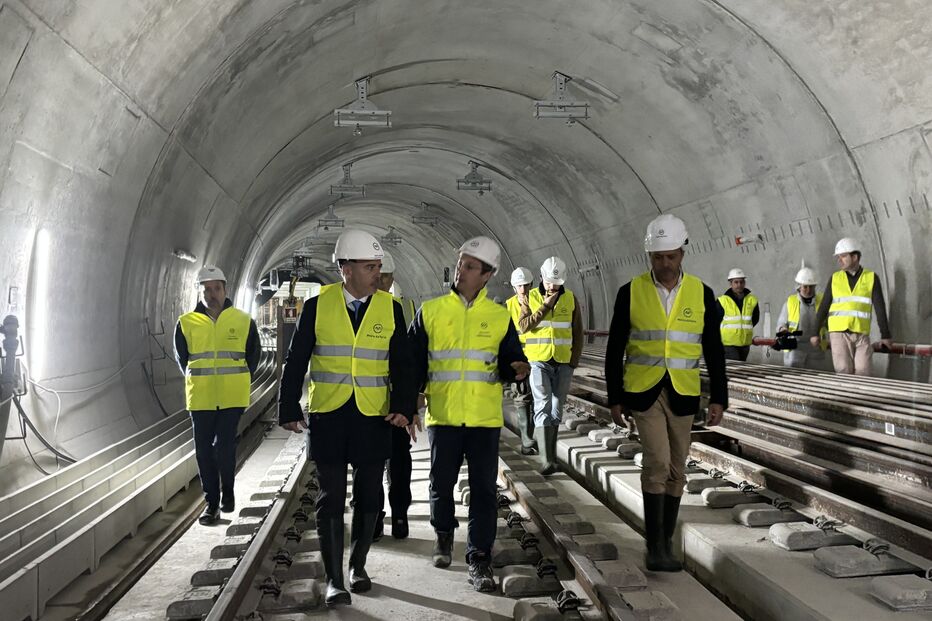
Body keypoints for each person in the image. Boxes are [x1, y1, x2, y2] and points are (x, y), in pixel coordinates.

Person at [278, 229, 416, 606]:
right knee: (331, 496)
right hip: (329, 415)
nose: (377, 274)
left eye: (378, 267)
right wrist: (288, 407)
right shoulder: (317, 305)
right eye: (369, 267)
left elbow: (403, 364)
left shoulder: (391, 308)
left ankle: (357, 565)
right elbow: (296, 360)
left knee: (370, 494)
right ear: (345, 269)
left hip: (374, 416)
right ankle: (334, 580)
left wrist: (405, 407)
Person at [605, 214, 728, 572]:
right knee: (657, 463)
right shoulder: (630, 291)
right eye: (657, 257)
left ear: (682, 254)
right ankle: (655, 546)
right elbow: (616, 350)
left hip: (683, 391)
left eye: (670, 256)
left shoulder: (701, 293)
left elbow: (714, 349)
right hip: (643, 391)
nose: (664, 264)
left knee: (677, 468)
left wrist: (718, 396)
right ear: (649, 257)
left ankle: (666, 542)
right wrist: (615, 398)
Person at [409, 236, 529, 592]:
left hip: (483, 420)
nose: (461, 270)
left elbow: (511, 359)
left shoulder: (499, 316)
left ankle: (479, 558)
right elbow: (413, 366)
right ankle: (443, 534)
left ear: (488, 275)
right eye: (461, 263)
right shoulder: (430, 311)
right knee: (440, 485)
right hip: (443, 417)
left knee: (483, 493)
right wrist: (407, 407)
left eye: (471, 266)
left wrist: (518, 368)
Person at [174, 265, 260, 526]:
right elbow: (183, 359)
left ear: (225, 289)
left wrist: (237, 379)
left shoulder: (243, 321)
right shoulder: (186, 323)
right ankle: (211, 502)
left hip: (232, 397)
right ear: (200, 292)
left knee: (224, 446)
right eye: (207, 289)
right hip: (200, 398)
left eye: (216, 288)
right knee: (203, 452)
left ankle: (228, 490)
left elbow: (253, 357)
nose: (212, 294)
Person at [519, 257, 583, 474]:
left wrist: (573, 362)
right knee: (543, 404)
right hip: (538, 361)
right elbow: (524, 325)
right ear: (541, 278)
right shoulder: (530, 297)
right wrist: (546, 305)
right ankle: (546, 460)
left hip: (563, 362)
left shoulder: (571, 299)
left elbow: (577, 333)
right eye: (548, 282)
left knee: (556, 408)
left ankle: (551, 456)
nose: (551, 286)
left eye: (555, 283)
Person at [371, 251, 417, 540]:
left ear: (392, 278)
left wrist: (411, 402)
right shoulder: (359, 308)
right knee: (370, 464)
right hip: (368, 401)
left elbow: (412, 362)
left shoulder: (403, 309)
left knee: (399, 461)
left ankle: (400, 512)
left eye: (384, 276)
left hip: (396, 401)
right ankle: (373, 516)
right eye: (376, 275)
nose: (379, 281)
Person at [812, 237, 893, 375]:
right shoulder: (835, 278)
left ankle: (860, 397)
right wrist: (815, 332)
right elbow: (823, 308)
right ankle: (845, 397)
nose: (839, 260)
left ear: (855, 257)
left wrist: (885, 334)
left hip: (861, 334)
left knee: (863, 371)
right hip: (838, 334)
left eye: (843, 256)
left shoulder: (871, 278)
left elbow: (880, 308)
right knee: (844, 371)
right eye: (838, 257)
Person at [505, 267, 537, 455]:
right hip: (519, 360)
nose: (523, 289)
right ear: (513, 287)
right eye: (519, 286)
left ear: (531, 285)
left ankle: (534, 438)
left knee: (538, 401)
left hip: (539, 356)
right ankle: (527, 441)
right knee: (523, 398)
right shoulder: (509, 306)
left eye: (525, 285)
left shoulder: (539, 302)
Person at [775, 263, 827, 369]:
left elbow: (831, 322)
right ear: (799, 287)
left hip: (816, 349)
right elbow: (781, 323)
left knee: (814, 381)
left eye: (811, 287)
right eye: (805, 287)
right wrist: (783, 329)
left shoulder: (822, 301)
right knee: (794, 381)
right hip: (795, 349)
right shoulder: (791, 302)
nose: (808, 290)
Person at [717, 268, 759, 361]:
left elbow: (755, 319)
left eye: (741, 282)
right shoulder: (722, 301)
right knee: (735, 367)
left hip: (745, 343)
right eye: (736, 282)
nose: (739, 285)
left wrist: (743, 329)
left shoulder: (752, 300)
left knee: (740, 368)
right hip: (728, 344)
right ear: (730, 283)